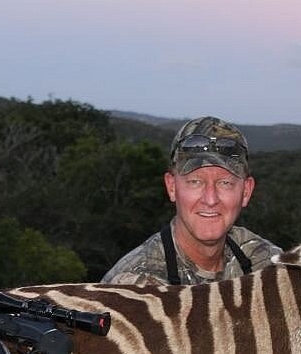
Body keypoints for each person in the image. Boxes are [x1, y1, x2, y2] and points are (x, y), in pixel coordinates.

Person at [101, 116, 280, 286]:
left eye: (225, 183)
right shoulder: (133, 283)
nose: (210, 199)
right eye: (195, 182)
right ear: (171, 187)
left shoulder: (268, 266)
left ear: (246, 191)